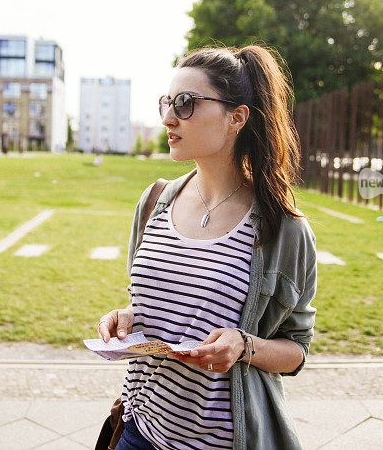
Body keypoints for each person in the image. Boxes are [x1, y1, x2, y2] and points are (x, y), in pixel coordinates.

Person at [97, 45, 317, 450]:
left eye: (185, 104)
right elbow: (155, 301)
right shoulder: (154, 201)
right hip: (138, 431)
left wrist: (244, 345)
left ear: (237, 117)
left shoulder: (282, 229)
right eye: (167, 102)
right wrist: (126, 318)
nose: (167, 117)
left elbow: (297, 349)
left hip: (222, 442)